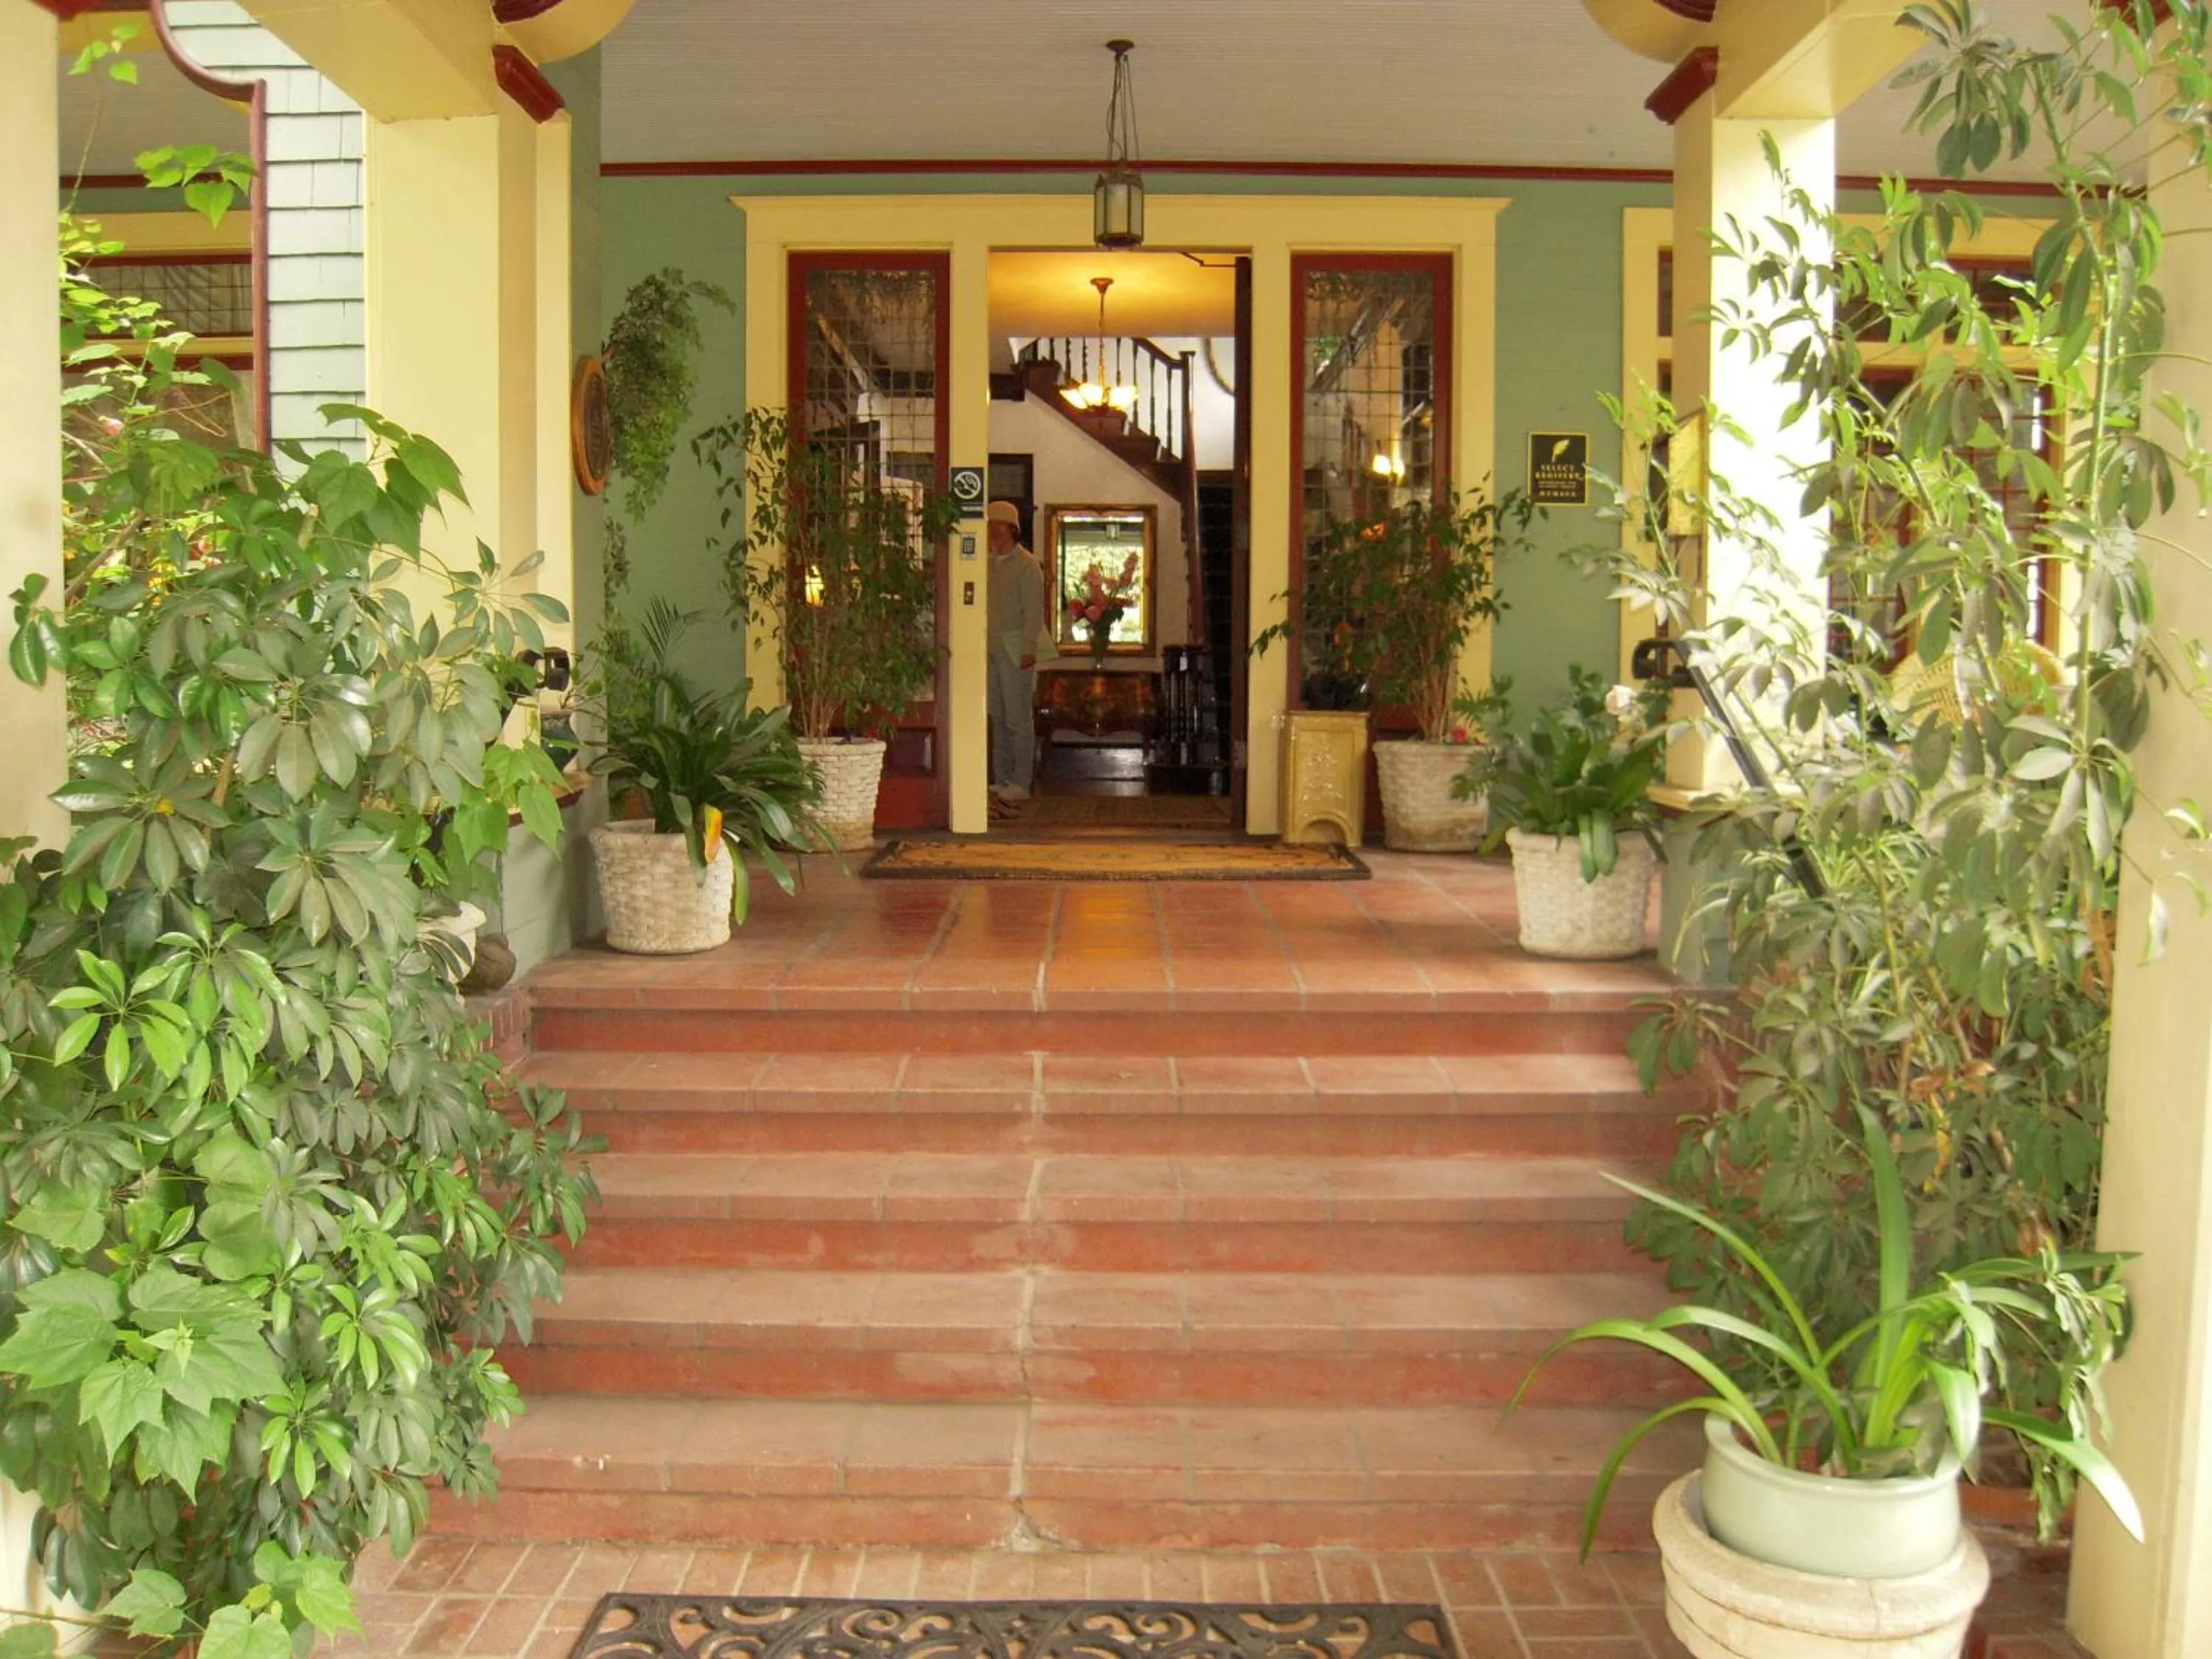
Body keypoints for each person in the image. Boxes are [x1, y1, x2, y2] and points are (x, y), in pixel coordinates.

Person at [986, 499, 1049, 803]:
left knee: (1018, 717)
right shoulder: (986, 562)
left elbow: (1034, 613)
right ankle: (1002, 778)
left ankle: (1021, 781)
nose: (991, 532)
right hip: (992, 648)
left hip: (1016, 648)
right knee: (997, 716)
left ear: (1010, 528)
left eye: (995, 525)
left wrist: (1028, 649)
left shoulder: (1028, 565)